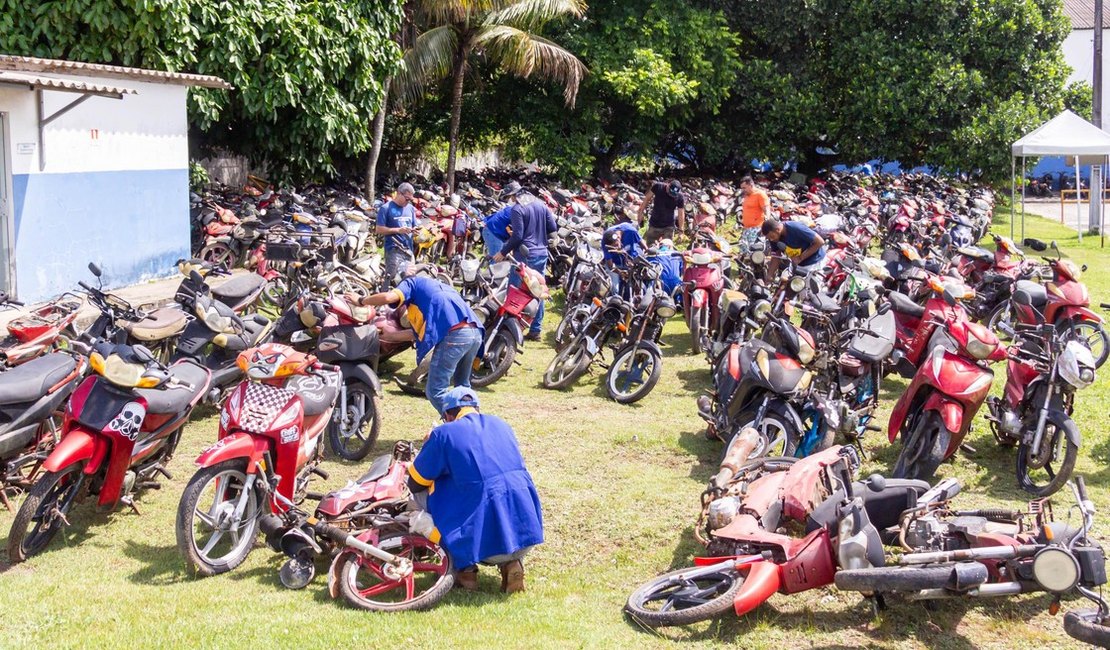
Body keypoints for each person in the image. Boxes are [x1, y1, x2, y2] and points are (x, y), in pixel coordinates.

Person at [406, 387, 543, 594]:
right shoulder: (502, 425)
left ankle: (464, 567)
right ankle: (512, 563)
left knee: (422, 497)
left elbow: (415, 483)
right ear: (476, 408)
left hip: (483, 545)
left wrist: (429, 446)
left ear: (448, 415)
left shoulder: (443, 433)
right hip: (526, 535)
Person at [352, 272, 483, 417]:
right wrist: (389, 336)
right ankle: (476, 425)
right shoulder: (436, 290)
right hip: (475, 332)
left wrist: (361, 300)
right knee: (463, 388)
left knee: (435, 391)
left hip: (455, 335)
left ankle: (460, 425)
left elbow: (388, 297)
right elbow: (416, 334)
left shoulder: (412, 284)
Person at [493, 185, 557, 341]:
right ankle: (535, 330)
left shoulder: (517, 208)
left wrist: (503, 252)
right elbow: (553, 228)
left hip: (524, 255)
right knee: (538, 290)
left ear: (515, 195)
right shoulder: (541, 205)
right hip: (541, 254)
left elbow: (518, 236)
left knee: (514, 290)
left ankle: (507, 326)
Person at [376, 182, 417, 287]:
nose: (408, 202)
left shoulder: (410, 209)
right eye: (407, 199)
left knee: (410, 279)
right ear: (399, 193)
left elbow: (414, 225)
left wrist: (415, 230)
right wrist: (398, 230)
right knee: (391, 278)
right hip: (393, 249)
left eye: (410, 200)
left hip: (409, 249)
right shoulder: (386, 208)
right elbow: (379, 229)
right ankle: (383, 298)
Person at [762, 217, 827, 275]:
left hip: (815, 262)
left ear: (777, 230)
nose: (771, 239)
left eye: (772, 237)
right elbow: (776, 256)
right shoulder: (774, 238)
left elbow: (820, 242)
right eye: (769, 238)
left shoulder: (795, 228)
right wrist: (769, 276)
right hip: (797, 265)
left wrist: (800, 258)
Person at [637, 179, 686, 245]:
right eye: (670, 192)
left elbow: (681, 213)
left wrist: (681, 231)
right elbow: (647, 198)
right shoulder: (658, 187)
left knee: (666, 248)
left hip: (669, 226)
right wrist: (640, 212)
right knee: (650, 247)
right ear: (668, 185)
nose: (670, 195)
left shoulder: (680, 197)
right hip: (654, 224)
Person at [481, 182, 521, 257]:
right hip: (492, 232)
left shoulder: (516, 208)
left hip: (494, 231)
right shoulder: (516, 210)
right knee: (497, 261)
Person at [739, 176, 770, 252]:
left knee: (753, 252)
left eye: (744, 188)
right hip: (746, 229)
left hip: (756, 229)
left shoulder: (760, 194)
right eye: (742, 188)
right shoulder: (747, 196)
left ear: (751, 185)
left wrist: (765, 227)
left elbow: (767, 210)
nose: (743, 190)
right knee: (743, 250)